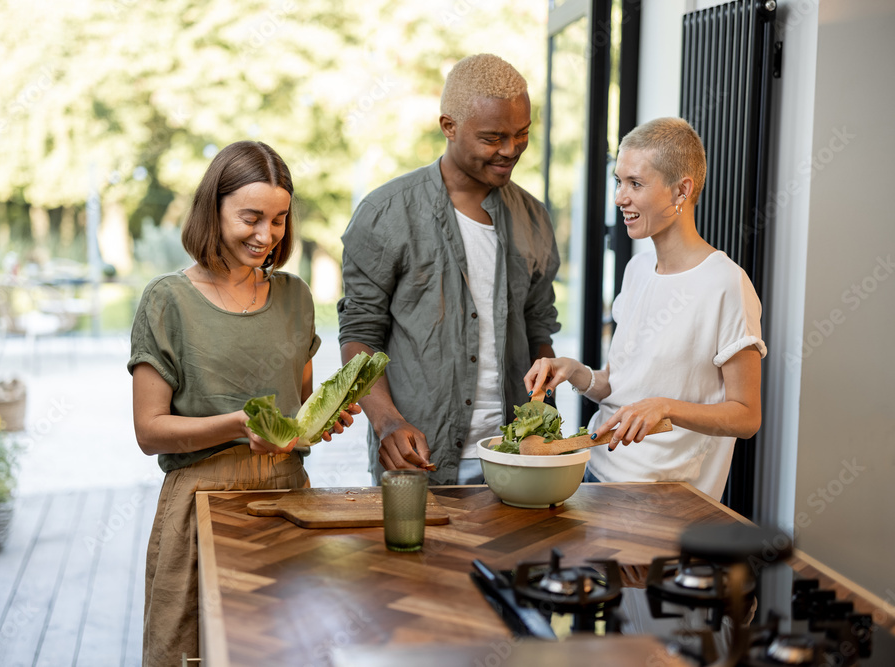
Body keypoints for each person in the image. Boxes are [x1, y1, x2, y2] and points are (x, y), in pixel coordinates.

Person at [128, 140, 358, 665]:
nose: (266, 234)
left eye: (278, 220)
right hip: (200, 503)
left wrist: (325, 419)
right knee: (189, 650)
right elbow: (149, 431)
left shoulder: (296, 297)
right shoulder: (167, 300)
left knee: (285, 650)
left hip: (287, 500)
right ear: (213, 209)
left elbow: (296, 411)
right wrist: (237, 424)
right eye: (250, 217)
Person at [338, 53, 561, 485]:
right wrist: (386, 423)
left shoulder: (534, 216)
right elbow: (360, 335)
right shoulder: (385, 213)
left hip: (515, 459)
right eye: (493, 137)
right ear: (449, 126)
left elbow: (539, 327)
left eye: (522, 134)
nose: (510, 150)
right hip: (418, 459)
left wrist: (544, 414)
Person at [525, 117, 765, 501]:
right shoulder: (637, 269)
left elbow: (746, 416)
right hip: (593, 472)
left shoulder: (726, 284)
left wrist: (666, 407)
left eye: (635, 183)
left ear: (681, 190)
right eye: (618, 181)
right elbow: (623, 388)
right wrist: (576, 372)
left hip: (661, 499)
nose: (620, 197)